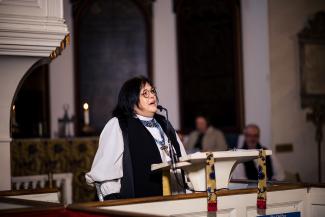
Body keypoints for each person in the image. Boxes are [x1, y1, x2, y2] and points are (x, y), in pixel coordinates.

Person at [85, 76, 187, 200]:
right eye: (145, 93)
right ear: (131, 100)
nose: (152, 96)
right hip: (139, 203)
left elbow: (183, 160)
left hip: (175, 199)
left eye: (152, 91)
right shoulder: (119, 124)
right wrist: (113, 202)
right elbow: (107, 173)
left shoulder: (164, 123)